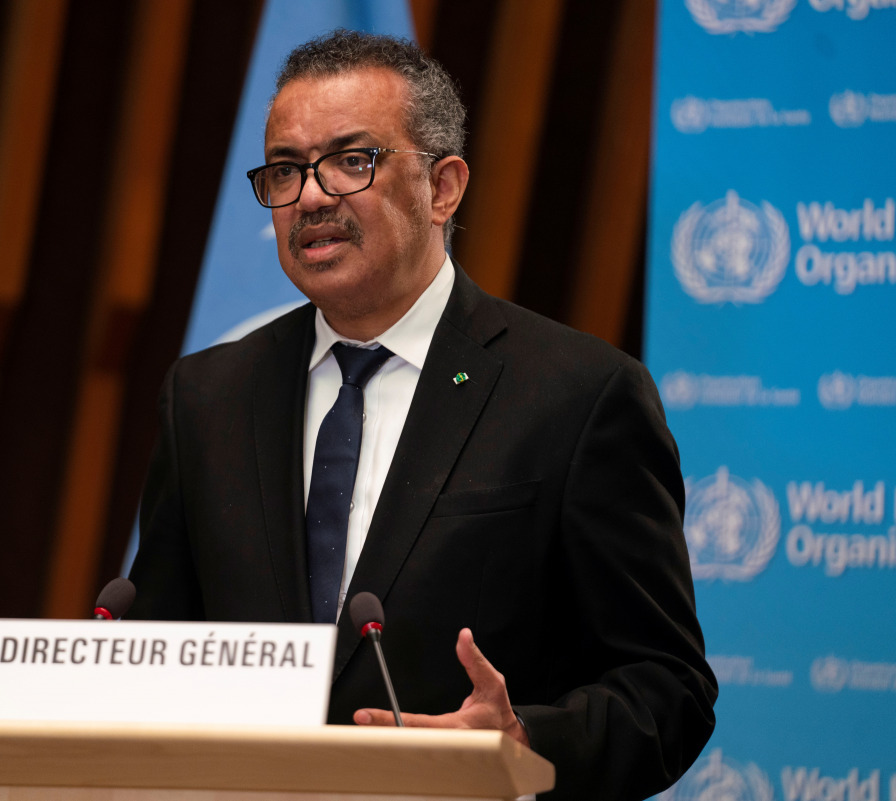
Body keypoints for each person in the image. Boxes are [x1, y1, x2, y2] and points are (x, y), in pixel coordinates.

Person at [127, 30, 716, 801]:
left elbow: (666, 686)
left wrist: (521, 742)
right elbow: (154, 651)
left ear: (443, 188)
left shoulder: (579, 395)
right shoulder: (207, 397)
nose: (309, 196)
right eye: (284, 169)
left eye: (350, 160)